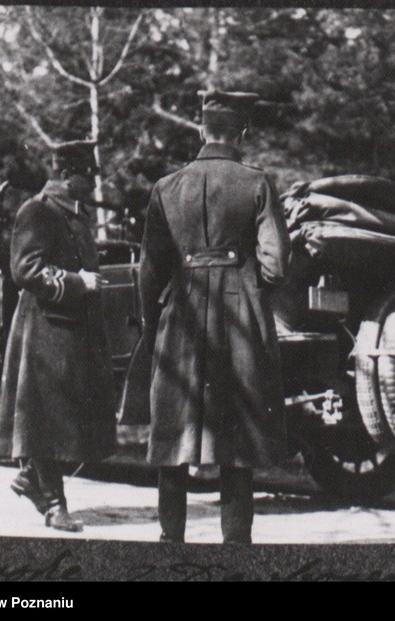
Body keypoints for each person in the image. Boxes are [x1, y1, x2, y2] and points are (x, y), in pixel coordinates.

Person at [139, 89, 291, 544]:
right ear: (242, 133)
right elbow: (277, 265)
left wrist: (154, 326)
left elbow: (149, 269)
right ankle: (236, 548)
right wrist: (249, 286)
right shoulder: (257, 182)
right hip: (238, 315)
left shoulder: (166, 188)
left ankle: (170, 543)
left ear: (202, 131)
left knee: (173, 433)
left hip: (180, 317)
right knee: (237, 437)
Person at [0, 144, 117, 533]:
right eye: (88, 175)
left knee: (68, 417)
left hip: (71, 331)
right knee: (45, 418)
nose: (93, 182)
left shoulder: (75, 215)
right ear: (68, 175)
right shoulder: (38, 211)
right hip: (44, 330)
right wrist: (80, 283)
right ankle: (53, 505)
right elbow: (25, 270)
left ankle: (31, 477)